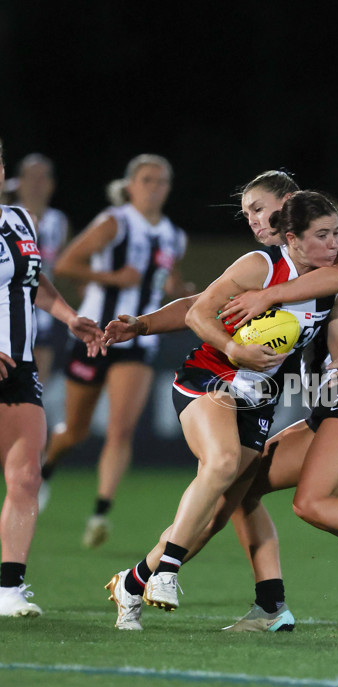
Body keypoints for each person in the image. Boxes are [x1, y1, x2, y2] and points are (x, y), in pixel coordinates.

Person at [103, 177, 338, 632]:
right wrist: (145, 325)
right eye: (246, 211)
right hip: (324, 398)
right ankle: (251, 602)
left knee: (310, 501)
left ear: (288, 209)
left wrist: (280, 306)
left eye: (259, 208)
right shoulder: (269, 264)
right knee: (239, 492)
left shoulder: (335, 249)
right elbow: (204, 303)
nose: (252, 219)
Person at [38, 154, 195, 548]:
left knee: (120, 429)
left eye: (161, 181)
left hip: (139, 340)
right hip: (94, 335)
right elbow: (65, 264)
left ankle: (100, 512)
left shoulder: (174, 235)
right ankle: (46, 468)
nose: (154, 187)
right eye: (146, 180)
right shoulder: (116, 221)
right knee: (74, 430)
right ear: (130, 185)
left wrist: (177, 290)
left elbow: (165, 279)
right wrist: (110, 278)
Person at [0, 140, 103, 617]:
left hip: (17, 367)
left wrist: (68, 315)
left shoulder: (20, 219)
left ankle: (8, 590)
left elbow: (34, 280)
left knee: (25, 475)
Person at [11, 154, 69, 383]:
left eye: (42, 178)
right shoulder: (5, 216)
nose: (37, 184)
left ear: (51, 184)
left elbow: (63, 265)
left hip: (43, 316)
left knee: (34, 389)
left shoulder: (59, 221)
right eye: (31, 177)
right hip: (8, 312)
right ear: (19, 181)